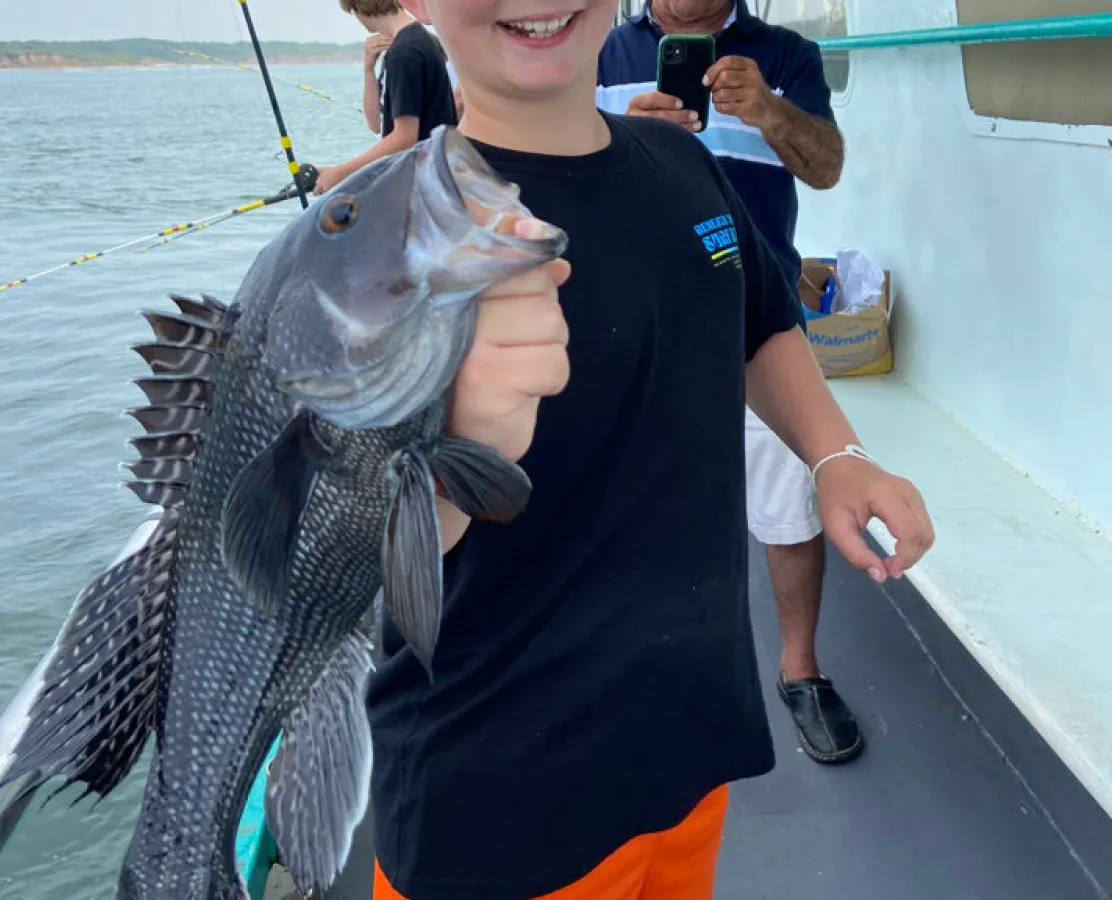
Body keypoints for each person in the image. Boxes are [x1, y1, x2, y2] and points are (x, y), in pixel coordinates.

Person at [341, 0, 935, 898]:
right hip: (500, 793)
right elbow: (347, 544)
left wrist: (836, 455)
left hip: (688, 734)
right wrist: (460, 449)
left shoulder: (681, 161)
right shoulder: (377, 237)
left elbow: (760, 319)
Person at [596, 0, 863, 765]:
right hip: (637, 318)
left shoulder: (786, 55)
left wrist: (769, 109)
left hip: (760, 318)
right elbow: (551, 175)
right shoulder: (600, 51)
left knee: (789, 506)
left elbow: (826, 167)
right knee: (636, 502)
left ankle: (800, 669)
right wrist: (618, 138)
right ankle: (647, 660)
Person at [312, 0, 457, 195]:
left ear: (359, 7)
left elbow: (404, 138)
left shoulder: (404, 53)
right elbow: (375, 124)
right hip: (435, 176)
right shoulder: (414, 41)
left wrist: (339, 173)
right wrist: (368, 70)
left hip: (423, 184)